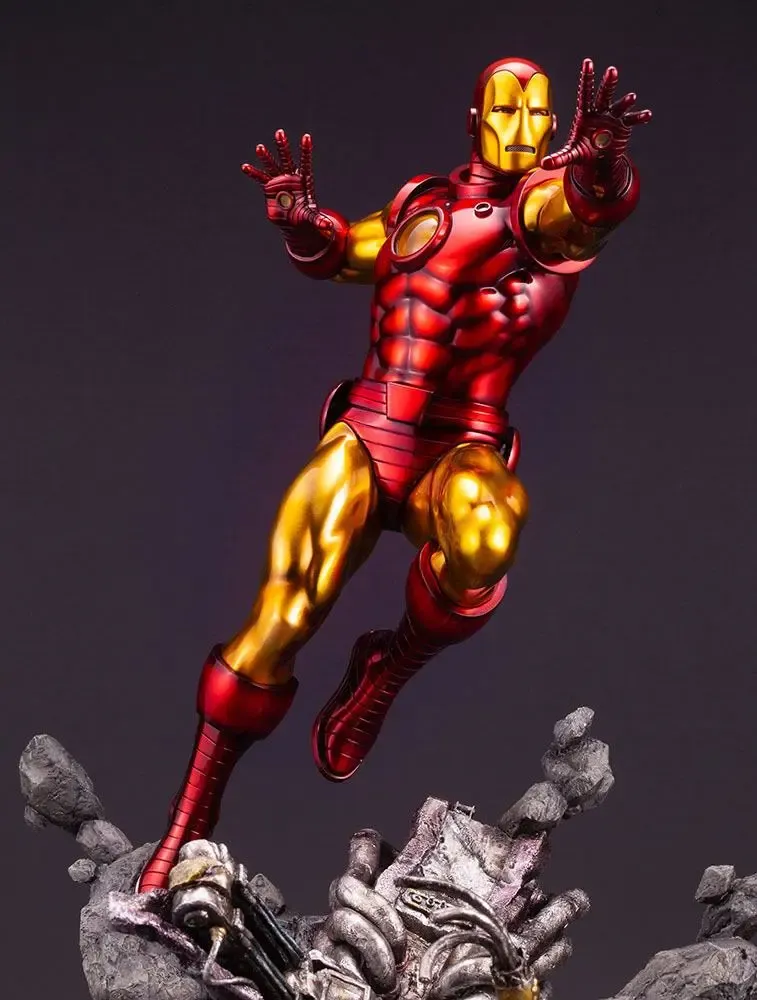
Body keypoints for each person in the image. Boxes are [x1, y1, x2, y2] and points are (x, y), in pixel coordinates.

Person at [138, 56, 651, 892]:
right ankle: (184, 829)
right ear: (475, 121)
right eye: (506, 112)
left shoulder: (545, 212)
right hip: (372, 429)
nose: (521, 130)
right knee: (278, 618)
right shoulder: (424, 202)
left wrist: (600, 163)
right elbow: (350, 253)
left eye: (537, 116)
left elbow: (590, 210)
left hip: (461, 445)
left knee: (486, 538)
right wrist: (304, 223)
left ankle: (386, 671)